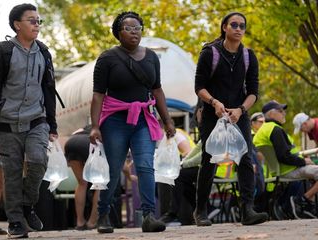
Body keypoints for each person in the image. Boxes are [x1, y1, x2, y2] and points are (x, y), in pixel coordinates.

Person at [89, 11, 176, 233]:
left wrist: (167, 121)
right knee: (114, 167)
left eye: (138, 28)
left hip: (143, 120)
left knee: (146, 165)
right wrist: (95, 126)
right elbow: (98, 94)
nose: (134, 32)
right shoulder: (107, 58)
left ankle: (148, 216)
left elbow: (157, 90)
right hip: (115, 121)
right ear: (119, 32)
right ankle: (104, 214)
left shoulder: (151, 57)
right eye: (129, 28)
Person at [0, 3, 58, 238]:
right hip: (6, 123)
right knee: (11, 174)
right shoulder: (3, 52)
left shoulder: (44, 52)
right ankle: (15, 222)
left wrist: (52, 124)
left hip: (37, 119)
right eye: (31, 20)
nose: (37, 25)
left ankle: (27, 204)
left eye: (38, 21)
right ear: (17, 24)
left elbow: (49, 89)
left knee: (37, 160)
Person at [193, 12, 268, 226]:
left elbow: (253, 91)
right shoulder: (210, 53)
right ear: (225, 27)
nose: (238, 28)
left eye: (242, 26)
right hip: (212, 113)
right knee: (209, 160)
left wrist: (241, 110)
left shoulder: (248, 56)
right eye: (233, 24)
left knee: (245, 158)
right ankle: (200, 211)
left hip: (238, 114)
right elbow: (199, 87)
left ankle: (247, 210)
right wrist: (214, 102)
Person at [253, 100, 318, 219]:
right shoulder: (275, 129)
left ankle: (307, 206)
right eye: (280, 111)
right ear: (271, 114)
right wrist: (304, 161)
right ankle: (303, 201)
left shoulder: (262, 131)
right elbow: (284, 157)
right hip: (289, 169)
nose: (284, 113)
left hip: (279, 170)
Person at [64, 125, 99, 230]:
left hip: (71, 143)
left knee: (81, 183)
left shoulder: (90, 125)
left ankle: (80, 222)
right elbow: (123, 166)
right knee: (99, 184)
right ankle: (92, 222)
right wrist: (129, 176)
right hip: (89, 143)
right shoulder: (108, 126)